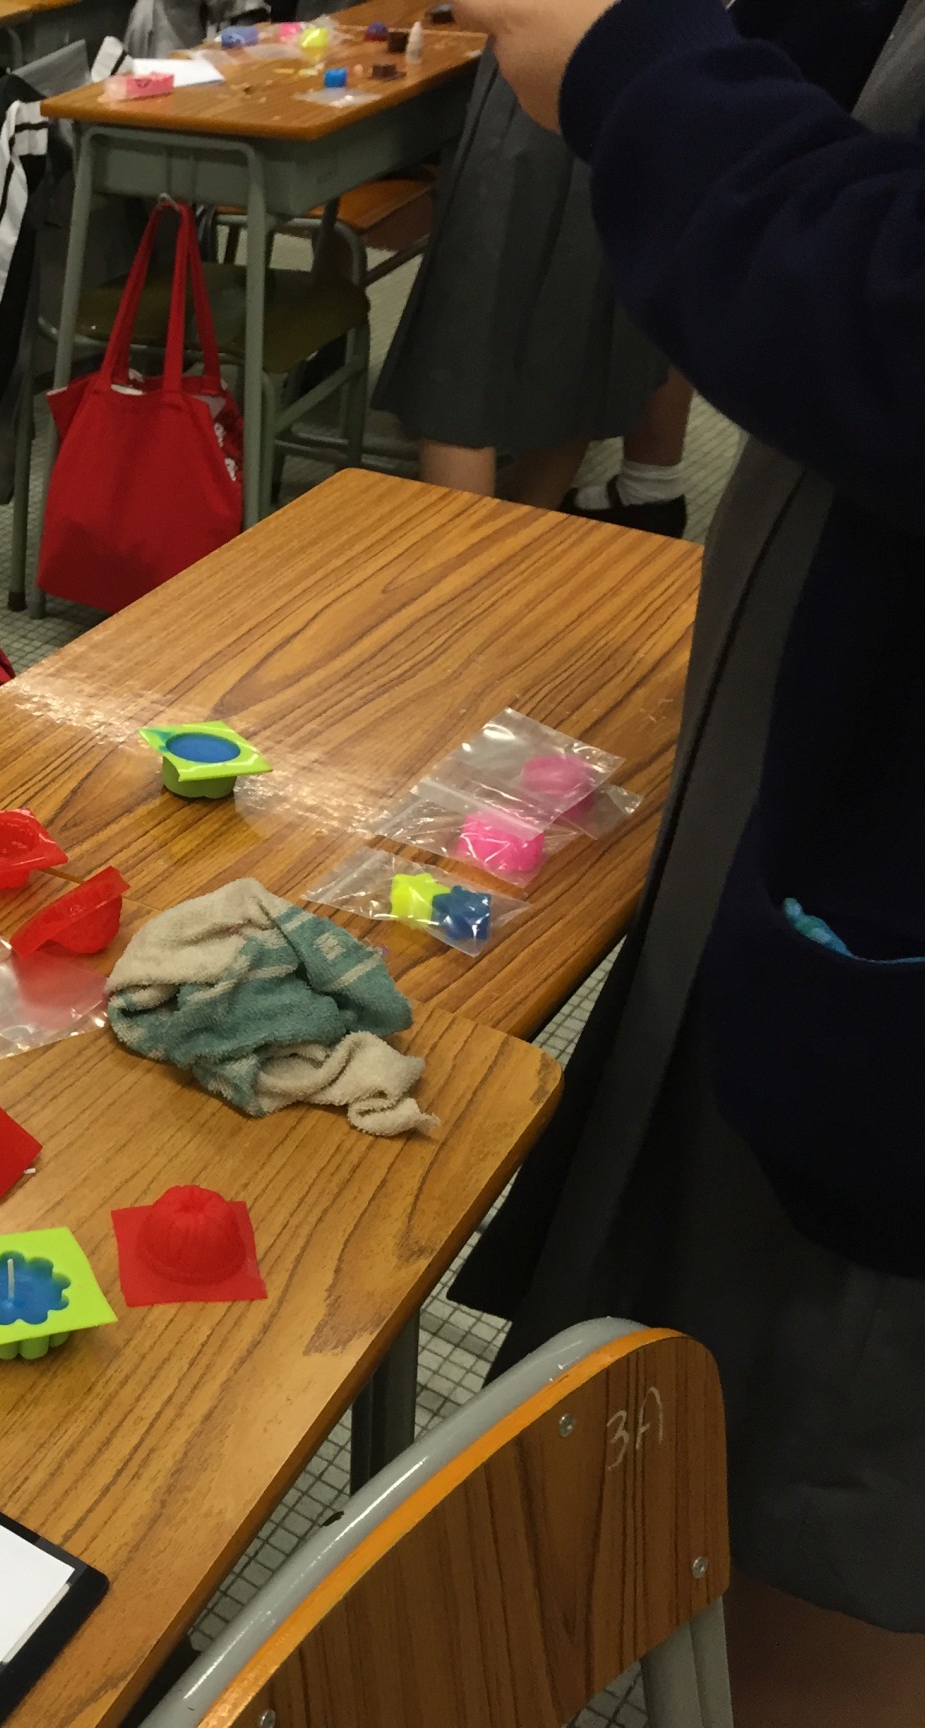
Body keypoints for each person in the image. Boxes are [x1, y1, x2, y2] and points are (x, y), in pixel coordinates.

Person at [448, 0, 925, 1721]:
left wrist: (628, 61)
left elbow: (891, 313)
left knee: (826, 1499)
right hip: (822, 779)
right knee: (731, 1411)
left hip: (881, 912)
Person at [371, 35, 689, 530]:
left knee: (460, 358)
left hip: (540, 80)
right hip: (645, 92)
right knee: (577, 336)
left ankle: (463, 564)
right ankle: (518, 543)